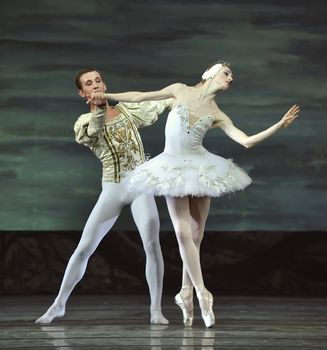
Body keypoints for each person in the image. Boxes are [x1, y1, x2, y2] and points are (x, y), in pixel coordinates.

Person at [89, 62, 300, 328]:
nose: (231, 78)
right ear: (210, 74)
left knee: (197, 233)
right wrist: (106, 96)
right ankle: (202, 292)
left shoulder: (217, 113)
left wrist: (279, 125)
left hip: (201, 168)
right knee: (182, 232)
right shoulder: (180, 90)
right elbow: (140, 96)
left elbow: (245, 141)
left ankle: (185, 292)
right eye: (227, 73)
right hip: (172, 167)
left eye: (232, 75)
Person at [35, 67, 172, 325]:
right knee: (84, 248)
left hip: (140, 186)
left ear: (104, 84)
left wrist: (185, 92)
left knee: (152, 245)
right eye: (89, 83)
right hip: (114, 187)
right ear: (82, 92)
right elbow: (94, 133)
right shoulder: (83, 123)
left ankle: (155, 309)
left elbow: (159, 102)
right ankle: (58, 305)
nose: (95, 85)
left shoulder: (127, 110)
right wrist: (97, 110)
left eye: (98, 80)